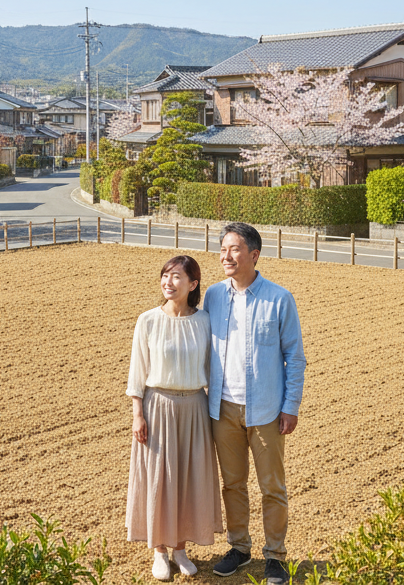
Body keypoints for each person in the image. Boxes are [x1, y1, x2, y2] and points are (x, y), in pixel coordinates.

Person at [206, 222, 305, 584]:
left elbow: (295, 357)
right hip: (223, 408)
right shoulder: (213, 296)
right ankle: (240, 547)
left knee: (272, 487)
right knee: (232, 484)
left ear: (254, 254)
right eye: (222, 249)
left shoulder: (279, 298)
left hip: (266, 410)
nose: (225, 256)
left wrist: (290, 406)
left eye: (233, 249)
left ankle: (275, 555)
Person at [126, 254, 224, 581]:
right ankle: (159, 551)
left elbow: (214, 369)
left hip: (195, 407)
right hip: (157, 407)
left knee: (188, 479)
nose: (169, 282)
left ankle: (180, 549)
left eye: (177, 276)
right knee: (159, 479)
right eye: (165, 275)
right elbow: (137, 372)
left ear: (193, 284)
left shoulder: (205, 321)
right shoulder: (148, 320)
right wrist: (138, 414)